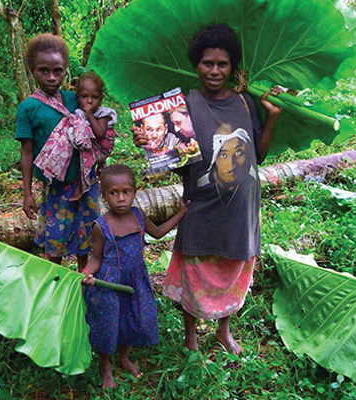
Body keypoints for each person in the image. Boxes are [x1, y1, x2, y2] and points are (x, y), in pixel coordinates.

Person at [131, 24, 282, 355]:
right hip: (200, 204)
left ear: (232, 67)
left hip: (241, 208)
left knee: (233, 268)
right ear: (195, 66)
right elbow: (173, 159)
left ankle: (223, 331)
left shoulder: (244, 102)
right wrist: (149, 142)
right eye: (207, 63)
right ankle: (191, 335)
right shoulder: (181, 107)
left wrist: (270, 119)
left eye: (222, 64)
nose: (215, 71)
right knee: (196, 268)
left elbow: (259, 153)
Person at [81, 164, 189, 389]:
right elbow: (96, 258)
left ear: (134, 192)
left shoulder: (138, 216)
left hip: (136, 280)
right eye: (113, 193)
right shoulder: (101, 226)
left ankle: (123, 357)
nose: (121, 198)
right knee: (108, 323)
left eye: (126, 192)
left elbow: (158, 233)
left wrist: (180, 214)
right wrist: (86, 273)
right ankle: (105, 366)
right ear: (104, 195)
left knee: (132, 317)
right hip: (109, 284)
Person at [15, 33, 100, 271]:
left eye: (58, 71)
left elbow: (96, 131)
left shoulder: (77, 99)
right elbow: (27, 152)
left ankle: (84, 283)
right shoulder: (29, 107)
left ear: (65, 70)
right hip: (56, 187)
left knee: (86, 236)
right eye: (44, 70)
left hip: (85, 183)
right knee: (56, 241)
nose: (52, 77)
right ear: (32, 70)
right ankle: (56, 284)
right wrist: (27, 194)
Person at [70, 71, 117, 201]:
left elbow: (100, 133)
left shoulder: (103, 113)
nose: (89, 101)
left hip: (103, 146)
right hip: (91, 144)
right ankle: (100, 170)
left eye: (94, 97)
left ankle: (82, 186)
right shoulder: (78, 112)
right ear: (78, 98)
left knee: (84, 158)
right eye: (84, 96)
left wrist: (90, 115)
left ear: (101, 99)